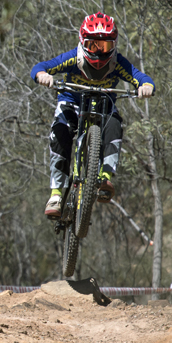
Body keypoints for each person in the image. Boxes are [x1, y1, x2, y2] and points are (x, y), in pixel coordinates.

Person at [30, 12, 155, 219]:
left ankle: (105, 177)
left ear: (113, 46)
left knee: (115, 124)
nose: (98, 52)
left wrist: (146, 86)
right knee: (60, 131)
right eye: (92, 45)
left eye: (104, 46)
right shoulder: (73, 58)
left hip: (104, 105)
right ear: (82, 42)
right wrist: (42, 75)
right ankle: (56, 194)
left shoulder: (117, 63)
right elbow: (41, 67)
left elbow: (140, 77)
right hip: (72, 102)